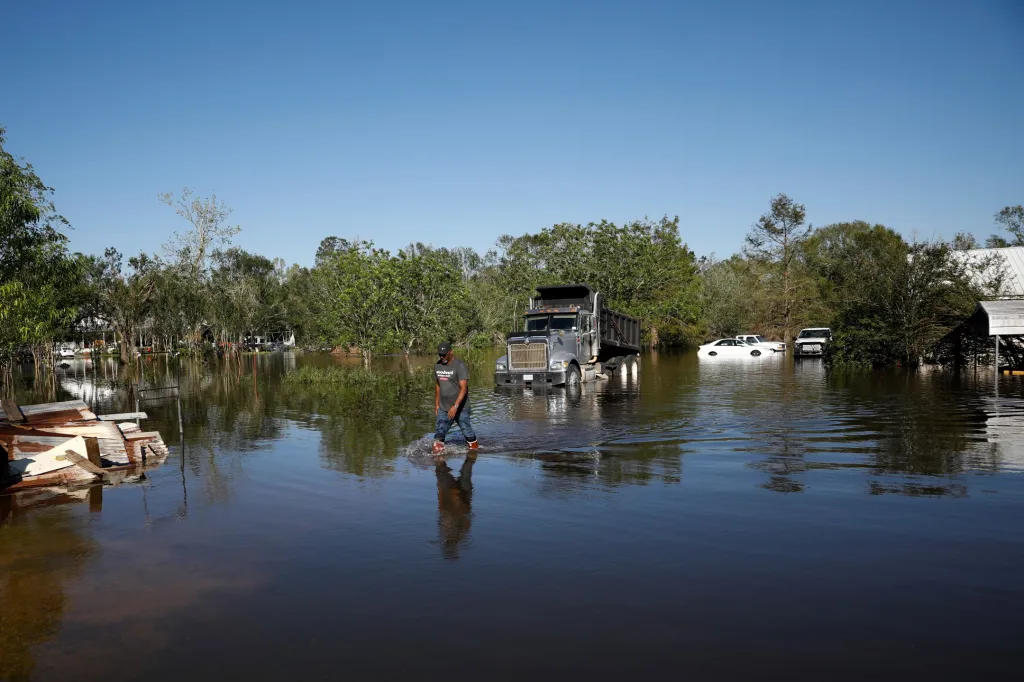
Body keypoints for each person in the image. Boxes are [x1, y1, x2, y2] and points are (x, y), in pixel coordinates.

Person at [433, 341, 478, 455]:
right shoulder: (437, 366)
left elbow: (464, 388)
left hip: (461, 407)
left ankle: (474, 454)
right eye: (440, 355)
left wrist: (455, 406)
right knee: (439, 434)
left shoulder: (459, 365)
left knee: (467, 432)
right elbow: (438, 385)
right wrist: (437, 404)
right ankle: (439, 464)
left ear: (450, 352)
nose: (441, 357)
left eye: (444, 354)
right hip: (444, 407)